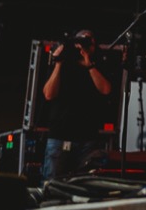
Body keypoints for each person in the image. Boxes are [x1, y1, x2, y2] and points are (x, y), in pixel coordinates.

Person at [41, 29, 114, 181]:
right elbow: (48, 94)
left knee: (84, 185)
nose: (85, 45)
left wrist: (89, 65)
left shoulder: (99, 63)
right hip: (60, 135)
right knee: (53, 184)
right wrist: (58, 63)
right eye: (82, 41)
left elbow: (106, 90)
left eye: (89, 42)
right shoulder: (64, 62)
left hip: (87, 137)